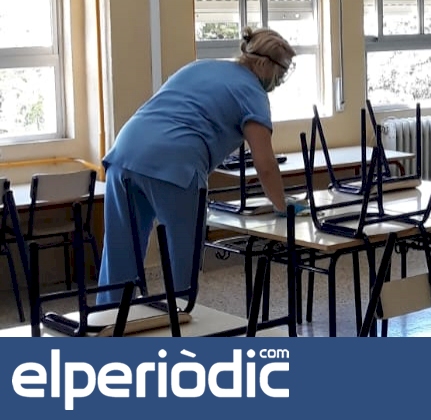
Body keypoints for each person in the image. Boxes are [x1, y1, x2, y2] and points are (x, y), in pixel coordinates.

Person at [97, 27, 297, 304]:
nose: (280, 80)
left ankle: (108, 320)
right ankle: (180, 315)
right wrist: (282, 205)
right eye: (281, 72)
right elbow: (265, 164)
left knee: (120, 253)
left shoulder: (200, 67)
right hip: (175, 164)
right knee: (183, 259)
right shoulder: (253, 93)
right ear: (264, 64)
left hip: (124, 153)